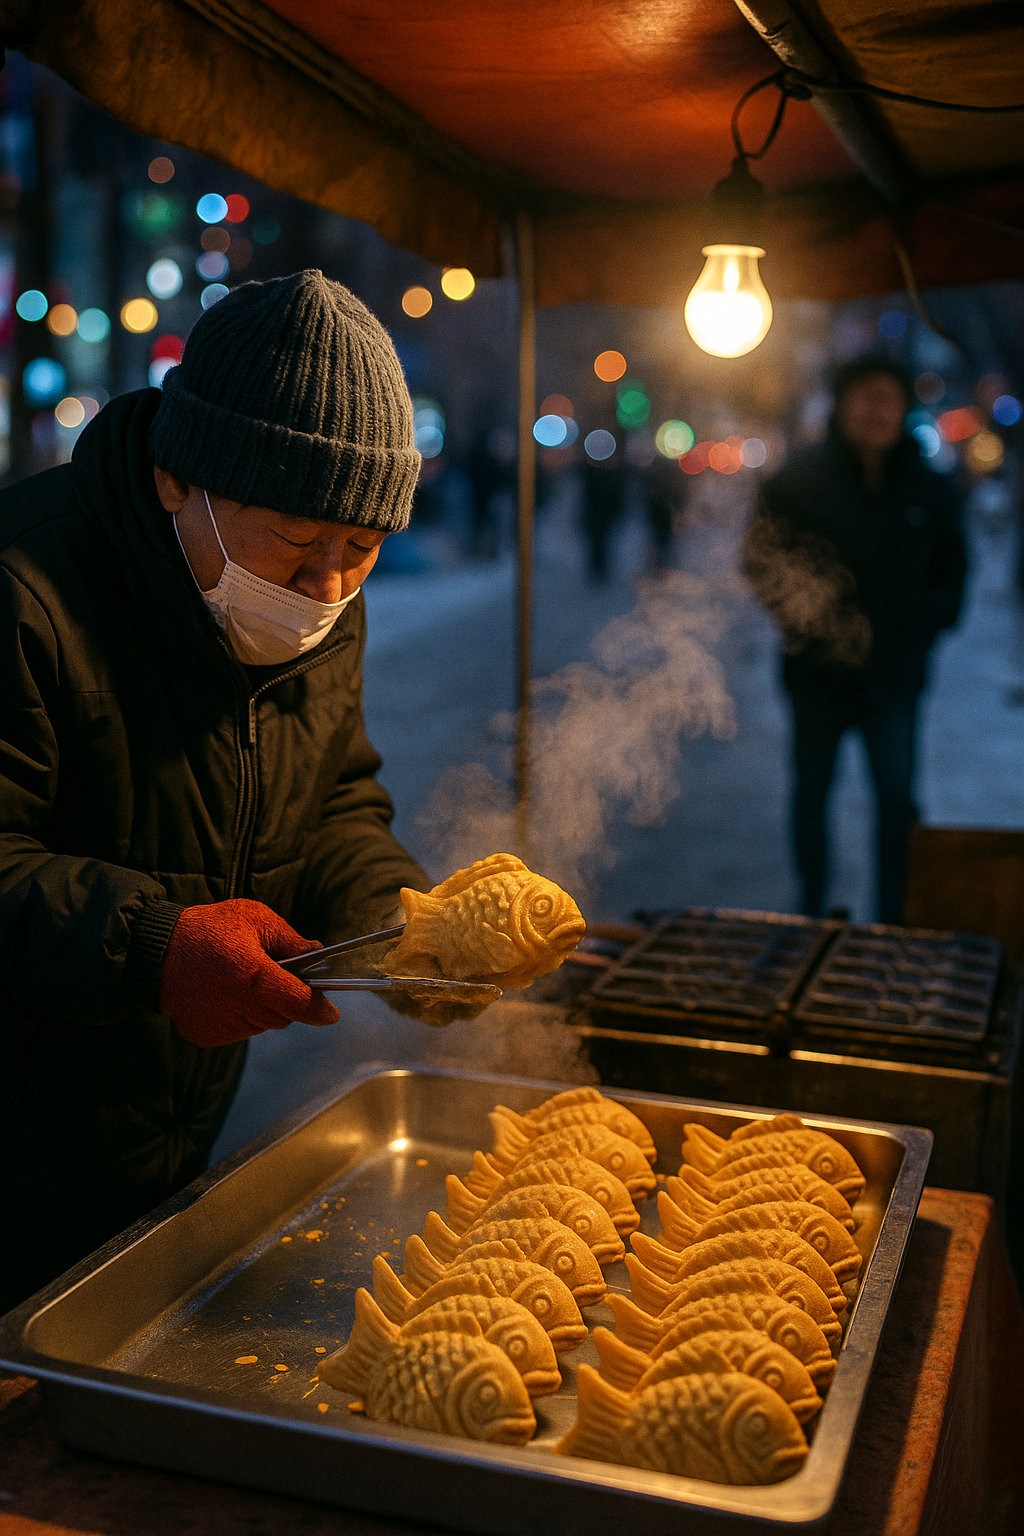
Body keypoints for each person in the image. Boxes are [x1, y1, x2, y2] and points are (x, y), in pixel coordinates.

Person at [0, 271, 432, 1312]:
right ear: (175, 481)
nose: (328, 586)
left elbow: (334, 797)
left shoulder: (319, 607)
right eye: (294, 542)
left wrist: (393, 917)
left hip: (166, 1137)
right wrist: (152, 945)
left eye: (363, 550)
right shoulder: (24, 587)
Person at [744, 356, 967, 924]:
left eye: (887, 400)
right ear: (842, 406)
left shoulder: (929, 486)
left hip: (895, 679)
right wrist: (803, 623)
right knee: (812, 796)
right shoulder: (799, 481)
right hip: (816, 676)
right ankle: (812, 908)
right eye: (864, 398)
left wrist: (927, 624)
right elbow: (760, 560)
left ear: (902, 409)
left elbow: (954, 567)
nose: (875, 411)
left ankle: (893, 914)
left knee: (897, 802)